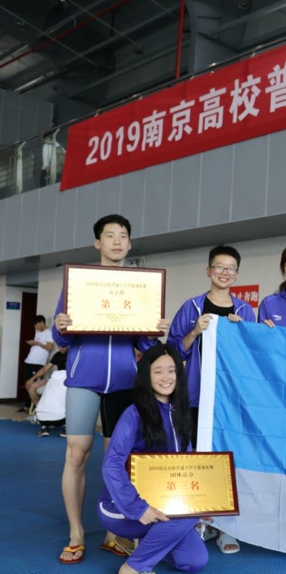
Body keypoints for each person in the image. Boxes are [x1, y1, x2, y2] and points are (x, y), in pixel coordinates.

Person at [52, 214, 169, 565]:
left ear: (130, 244)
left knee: (117, 459)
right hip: (83, 380)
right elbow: (61, 338)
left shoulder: (140, 286)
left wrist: (155, 329)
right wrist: (60, 325)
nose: (117, 241)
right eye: (109, 235)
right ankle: (76, 533)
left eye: (123, 236)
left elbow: (144, 343)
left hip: (123, 383)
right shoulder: (79, 282)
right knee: (77, 454)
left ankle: (113, 532)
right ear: (97, 242)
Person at [167, 244, 255, 554]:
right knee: (195, 458)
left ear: (237, 274)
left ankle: (226, 527)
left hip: (230, 400)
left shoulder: (245, 311)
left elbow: (252, 356)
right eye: (219, 267)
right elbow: (172, 351)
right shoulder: (192, 307)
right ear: (208, 270)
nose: (224, 273)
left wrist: (242, 334)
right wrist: (194, 331)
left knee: (229, 459)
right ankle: (196, 522)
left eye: (230, 268)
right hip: (195, 397)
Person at [98, 344, 208, 574]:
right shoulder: (134, 414)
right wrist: (138, 508)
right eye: (158, 371)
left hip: (165, 503)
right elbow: (111, 464)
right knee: (189, 512)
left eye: (171, 370)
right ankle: (132, 568)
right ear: (146, 376)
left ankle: (144, 544)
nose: (166, 377)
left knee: (194, 561)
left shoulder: (181, 413)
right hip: (122, 508)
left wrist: (207, 502)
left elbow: (189, 465)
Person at [19, 315, 53, 411]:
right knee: (27, 384)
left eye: (36, 325)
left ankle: (35, 407)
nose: (35, 327)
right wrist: (33, 343)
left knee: (33, 385)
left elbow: (49, 347)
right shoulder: (38, 334)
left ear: (42, 322)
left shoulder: (49, 333)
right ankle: (27, 406)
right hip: (29, 360)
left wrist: (37, 343)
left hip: (38, 362)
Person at [25, 345, 68, 420]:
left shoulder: (73, 354)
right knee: (31, 387)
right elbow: (45, 369)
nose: (61, 348)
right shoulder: (57, 355)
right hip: (57, 377)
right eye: (59, 346)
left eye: (63, 346)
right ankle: (39, 410)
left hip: (67, 379)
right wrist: (32, 378)